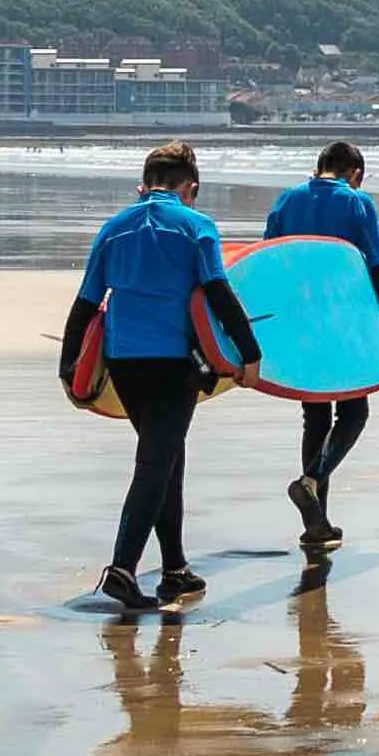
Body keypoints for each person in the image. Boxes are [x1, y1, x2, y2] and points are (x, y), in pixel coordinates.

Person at [72, 141, 255, 611]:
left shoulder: (113, 228)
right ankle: (122, 569)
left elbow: (86, 303)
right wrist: (249, 353)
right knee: (156, 462)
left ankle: (174, 569)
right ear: (189, 188)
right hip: (175, 364)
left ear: (144, 184)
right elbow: (218, 292)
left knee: (166, 456)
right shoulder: (196, 226)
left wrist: (68, 370)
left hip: (124, 363)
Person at [265, 139, 379, 548]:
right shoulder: (358, 204)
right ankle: (312, 480)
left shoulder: (286, 202)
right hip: (345, 322)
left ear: (319, 166)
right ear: (355, 174)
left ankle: (316, 523)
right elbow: (378, 269)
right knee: (355, 413)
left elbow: (269, 262)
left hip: (300, 323)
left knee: (316, 418)